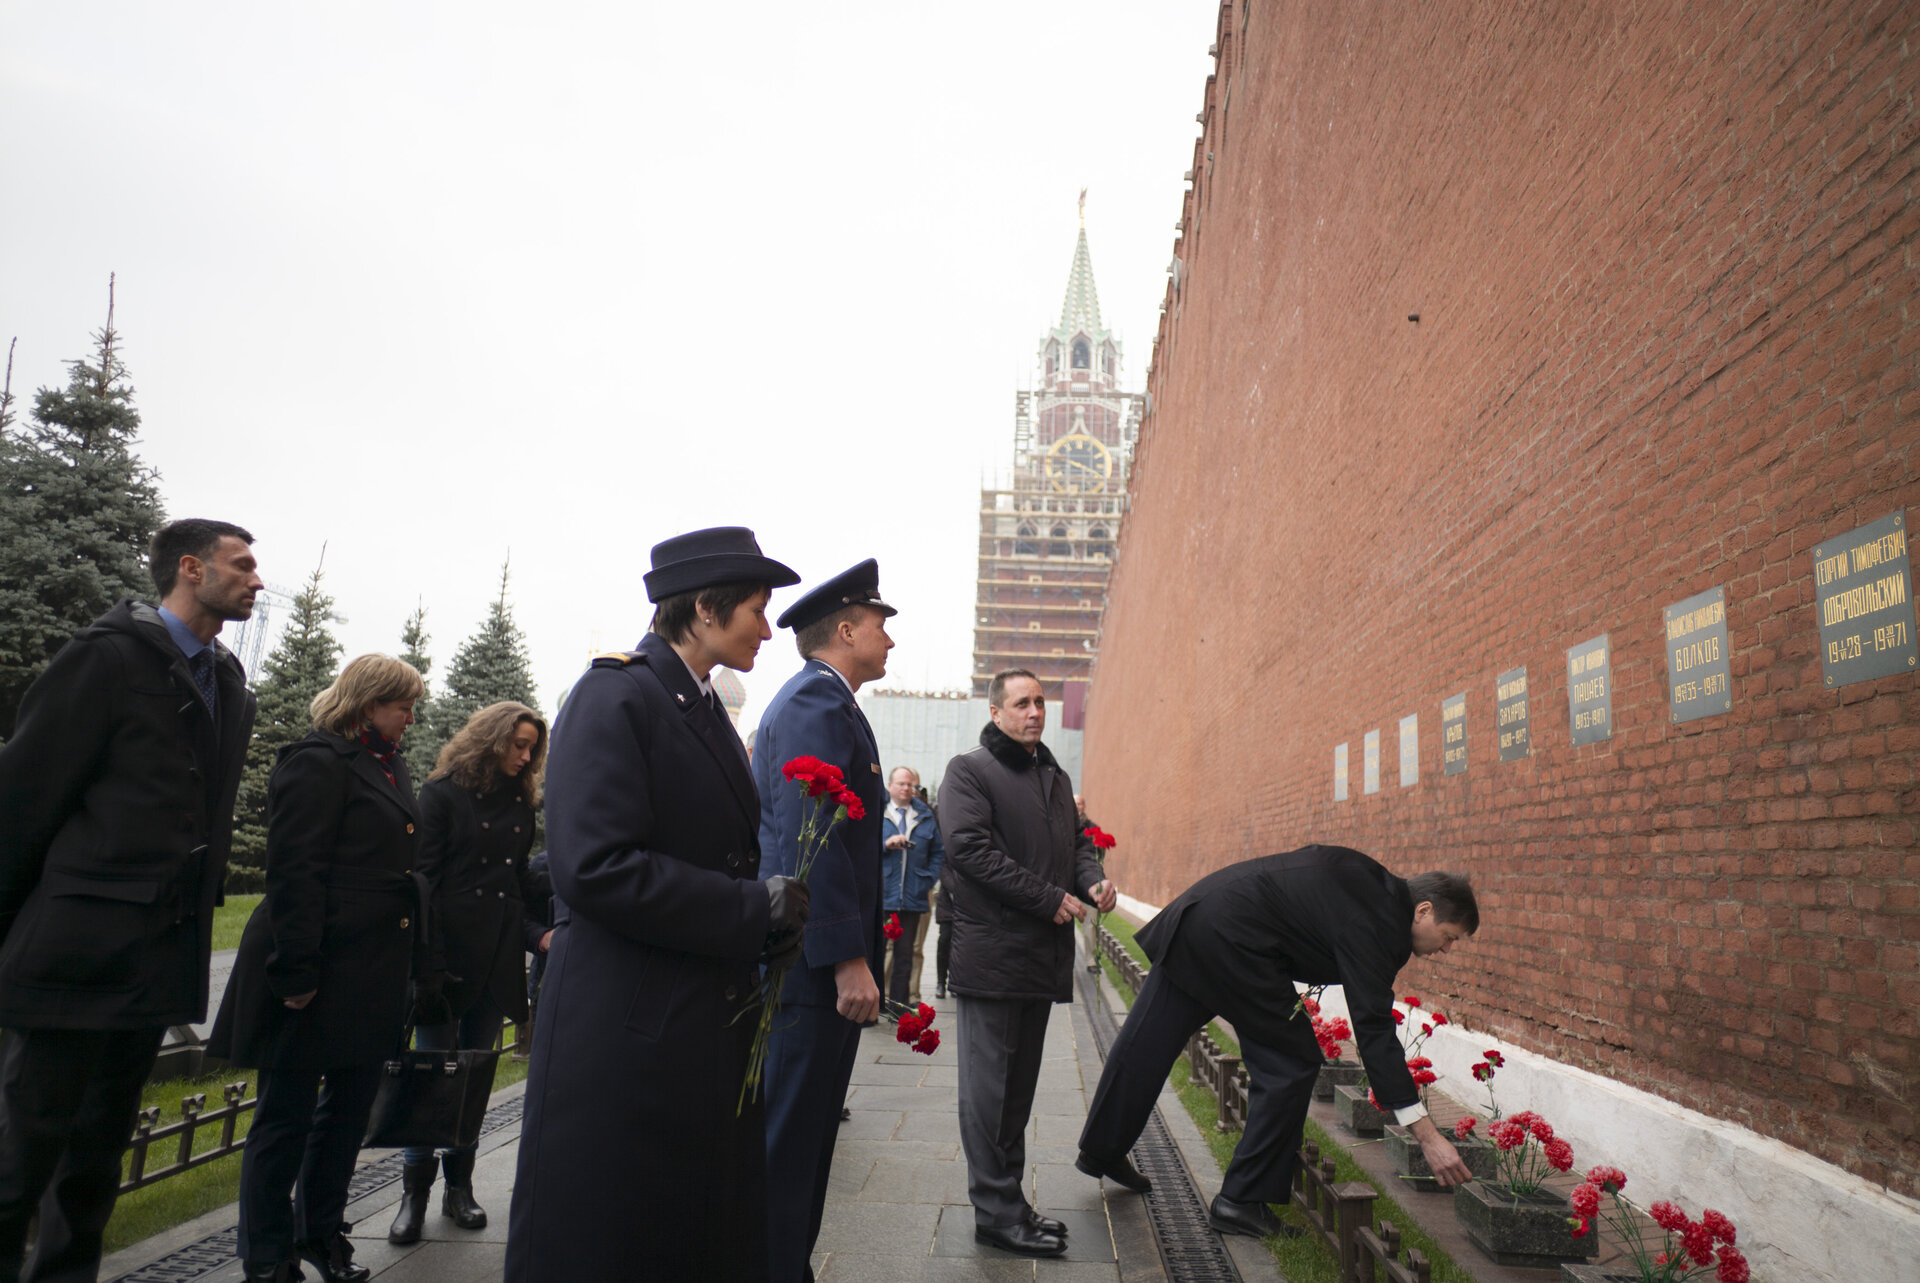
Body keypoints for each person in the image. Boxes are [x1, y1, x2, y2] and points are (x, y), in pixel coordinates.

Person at [505, 527, 809, 1283]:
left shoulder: (697, 706)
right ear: (706, 609)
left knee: (689, 1230)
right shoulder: (616, 695)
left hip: (691, 1021)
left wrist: (768, 922)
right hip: (628, 1030)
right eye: (757, 610)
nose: (768, 629)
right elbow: (595, 868)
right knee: (616, 1236)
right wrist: (750, 908)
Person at [0, 519, 261, 1283]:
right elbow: (24, 801)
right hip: (74, 959)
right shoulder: (106, 657)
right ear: (190, 568)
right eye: (241, 564)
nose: (254, 578)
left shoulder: (228, 681)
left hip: (154, 961)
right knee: (20, 1160)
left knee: (92, 1169)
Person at [1076, 849, 1479, 1238]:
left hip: (1203, 917)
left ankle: (1102, 1150)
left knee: (1146, 1043)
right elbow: (1373, 1026)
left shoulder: (1371, 883)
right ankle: (1242, 1201)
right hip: (1237, 943)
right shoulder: (1382, 922)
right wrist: (1427, 1135)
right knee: (1291, 1060)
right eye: (1449, 937)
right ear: (1423, 910)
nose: (1445, 949)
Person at [209, 654, 426, 1283]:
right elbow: (294, 873)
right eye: (401, 706)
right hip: (316, 967)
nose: (411, 718)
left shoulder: (390, 765)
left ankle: (320, 1233)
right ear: (366, 706)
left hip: (371, 971)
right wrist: (296, 972)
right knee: (284, 1119)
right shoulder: (315, 762)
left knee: (346, 1117)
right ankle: (266, 1255)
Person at [940, 669, 1114, 1258]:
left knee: (1016, 1093)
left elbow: (1078, 845)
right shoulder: (969, 771)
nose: (1035, 711)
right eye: (1021, 703)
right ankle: (994, 1212)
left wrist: (1092, 882)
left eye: (1040, 702)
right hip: (992, 958)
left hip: (1039, 959)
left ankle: (1008, 1201)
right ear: (996, 712)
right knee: (987, 1093)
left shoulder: (1053, 775)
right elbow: (968, 850)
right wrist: (1049, 898)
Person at [753, 559, 893, 1283]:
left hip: (809, 960)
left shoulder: (827, 701)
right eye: (880, 625)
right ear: (845, 629)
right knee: (789, 1140)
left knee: (804, 1140)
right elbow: (818, 831)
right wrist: (846, 956)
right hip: (809, 968)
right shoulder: (815, 701)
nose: (890, 640)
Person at [388, 701, 551, 1245]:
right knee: (431, 1075)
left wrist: (562, 899)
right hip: (445, 959)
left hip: (495, 960)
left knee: (475, 1076)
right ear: (491, 739)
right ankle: (413, 1195)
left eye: (532, 748)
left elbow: (518, 885)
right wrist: (425, 968)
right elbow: (423, 883)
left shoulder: (520, 804)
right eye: (518, 745)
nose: (526, 757)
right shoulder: (441, 795)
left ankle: (460, 1188)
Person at [879, 766, 944, 1005]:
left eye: (911, 785)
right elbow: (863, 848)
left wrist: (927, 880)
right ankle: (874, 1007)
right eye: (902, 784)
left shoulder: (924, 815)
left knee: (905, 955)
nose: (907, 789)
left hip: (912, 896)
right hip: (883, 895)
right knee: (877, 953)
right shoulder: (879, 813)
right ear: (890, 785)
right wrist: (886, 844)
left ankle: (898, 1005)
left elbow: (938, 852)